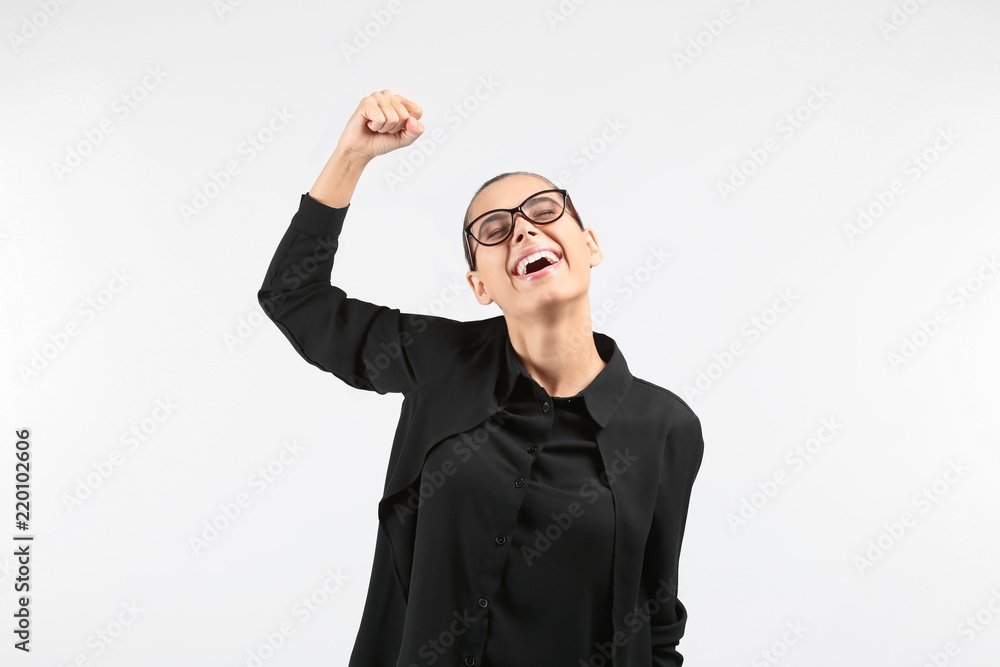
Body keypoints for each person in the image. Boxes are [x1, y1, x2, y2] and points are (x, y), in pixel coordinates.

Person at [257, 89, 705, 667]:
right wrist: (351, 155)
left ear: (590, 246)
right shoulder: (436, 361)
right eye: (493, 229)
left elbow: (657, 620)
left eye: (544, 211)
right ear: (480, 286)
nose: (523, 231)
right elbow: (294, 297)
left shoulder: (665, 427)